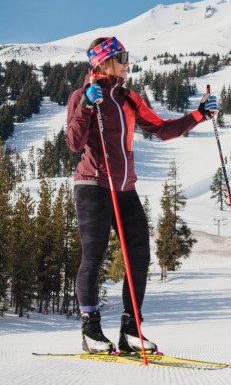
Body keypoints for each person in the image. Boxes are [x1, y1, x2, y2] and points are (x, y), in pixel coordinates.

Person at [66, 36, 218, 355]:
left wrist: (199, 115)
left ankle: (130, 331)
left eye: (127, 55)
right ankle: (91, 330)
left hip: (125, 188)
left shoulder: (130, 99)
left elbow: (162, 129)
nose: (127, 62)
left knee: (139, 256)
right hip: (92, 184)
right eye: (121, 56)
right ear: (102, 62)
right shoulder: (82, 95)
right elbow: (74, 142)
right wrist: (85, 106)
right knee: (94, 256)